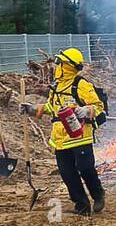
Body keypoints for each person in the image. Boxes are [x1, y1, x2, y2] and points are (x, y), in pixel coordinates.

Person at [21, 48, 105, 216]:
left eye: (60, 63)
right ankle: (81, 205)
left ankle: (98, 195)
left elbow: (98, 106)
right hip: (60, 139)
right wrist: (31, 109)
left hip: (80, 136)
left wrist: (86, 110)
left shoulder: (81, 85)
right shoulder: (56, 87)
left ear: (68, 66)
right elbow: (51, 108)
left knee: (86, 169)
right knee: (67, 174)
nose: (57, 66)